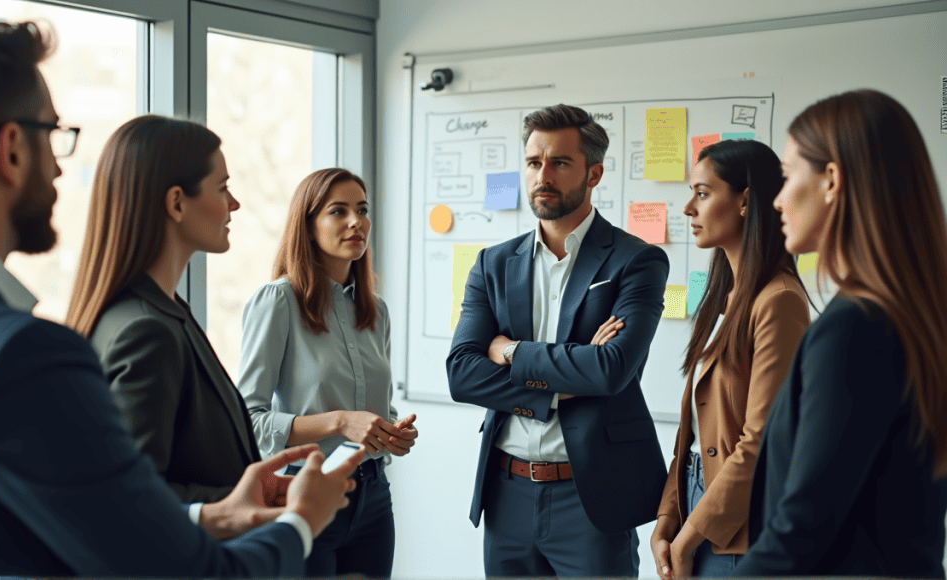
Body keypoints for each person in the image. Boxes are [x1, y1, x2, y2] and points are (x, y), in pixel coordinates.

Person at [0, 14, 361, 578]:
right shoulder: (20, 356)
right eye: (52, 135)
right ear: (10, 150)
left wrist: (211, 515)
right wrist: (302, 520)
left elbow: (46, 521)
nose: (59, 166)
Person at [446, 103, 669, 577]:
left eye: (559, 163)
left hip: (590, 495)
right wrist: (563, 381)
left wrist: (508, 352)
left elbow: (610, 370)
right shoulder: (493, 263)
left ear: (593, 174)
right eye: (533, 162)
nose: (542, 175)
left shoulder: (637, 262)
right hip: (506, 492)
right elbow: (462, 374)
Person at [732, 89, 947, 576]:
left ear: (832, 180)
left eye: (787, 178)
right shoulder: (902, 315)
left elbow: (803, 526)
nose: (778, 201)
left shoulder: (856, 328)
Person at [66, 115, 264, 514]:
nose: (235, 203)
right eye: (223, 188)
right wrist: (238, 505)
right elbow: (128, 502)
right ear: (176, 203)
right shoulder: (145, 332)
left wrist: (262, 489)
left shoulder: (162, 312)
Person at [642, 140, 809, 578]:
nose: (687, 210)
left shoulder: (779, 301)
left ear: (745, 202)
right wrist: (666, 520)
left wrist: (690, 533)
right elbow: (694, 433)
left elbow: (761, 441)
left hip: (735, 519)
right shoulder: (725, 299)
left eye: (701, 193)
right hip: (696, 501)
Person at [238, 167, 417, 579]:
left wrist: (391, 435)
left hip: (372, 495)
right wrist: (339, 421)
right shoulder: (278, 301)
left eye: (362, 209)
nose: (357, 221)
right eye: (338, 211)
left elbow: (376, 412)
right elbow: (249, 421)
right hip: (304, 493)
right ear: (308, 225)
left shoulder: (376, 311)